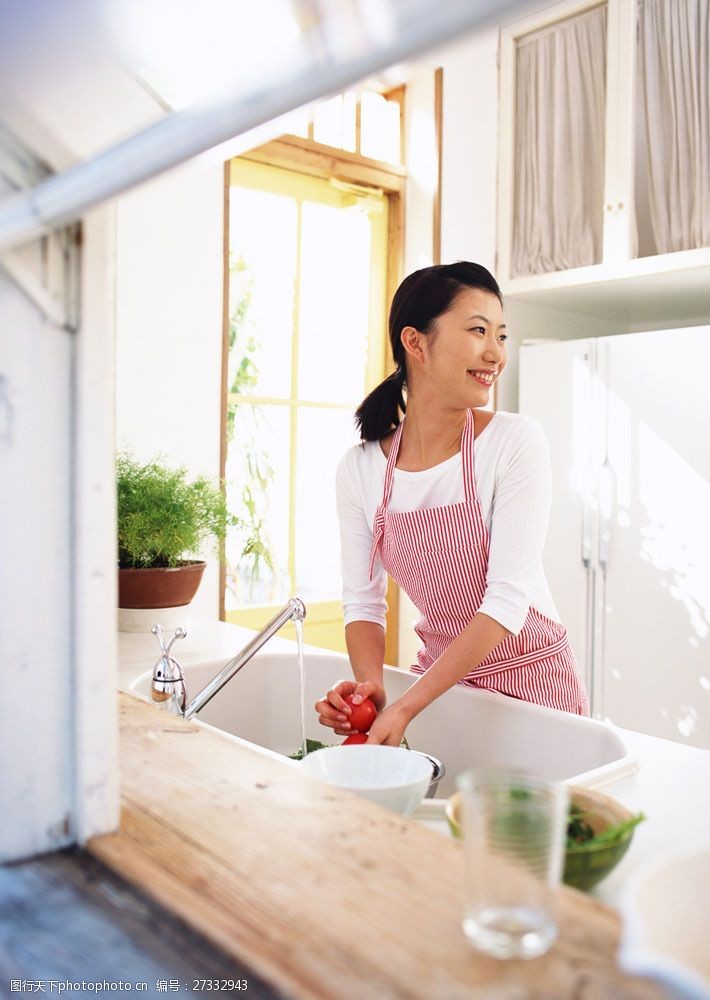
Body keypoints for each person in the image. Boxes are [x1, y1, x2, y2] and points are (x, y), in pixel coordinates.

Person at [315, 261, 589, 746]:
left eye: (501, 335)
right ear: (415, 343)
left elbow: (506, 600)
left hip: (534, 693)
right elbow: (363, 601)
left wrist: (405, 705)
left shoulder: (514, 442)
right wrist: (371, 688)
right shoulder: (359, 470)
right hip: (445, 690)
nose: (495, 353)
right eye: (478, 330)